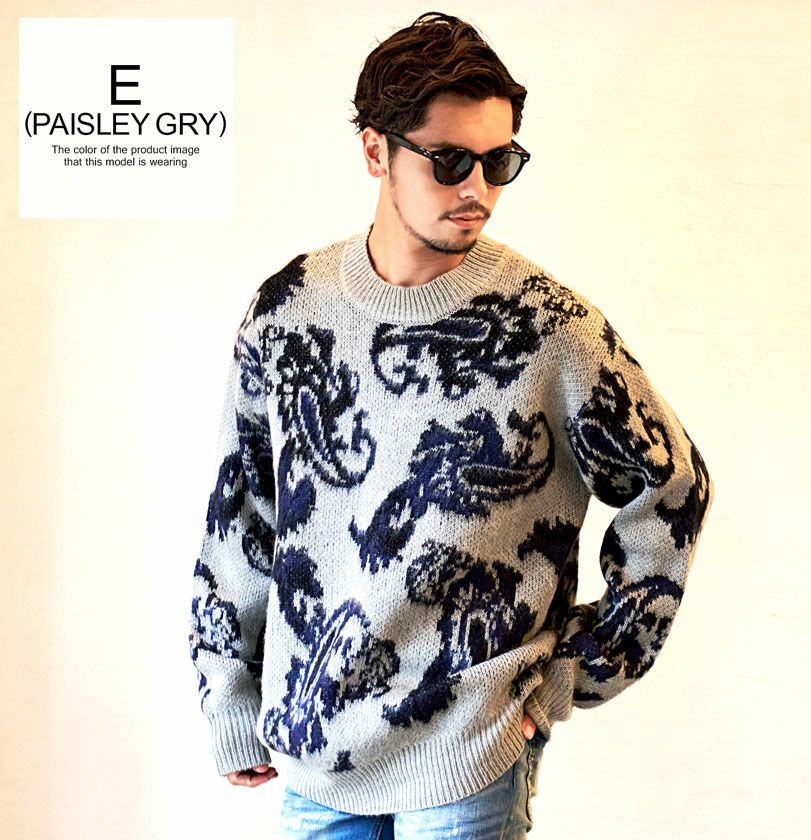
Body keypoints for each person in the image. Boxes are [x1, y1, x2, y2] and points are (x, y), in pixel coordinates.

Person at [188, 11, 714, 838]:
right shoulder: (289, 310)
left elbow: (673, 488)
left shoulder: (550, 328)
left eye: (499, 161)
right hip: (315, 749)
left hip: (468, 755)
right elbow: (241, 514)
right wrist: (228, 694)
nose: (478, 189)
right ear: (376, 150)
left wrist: (580, 668)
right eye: (450, 161)